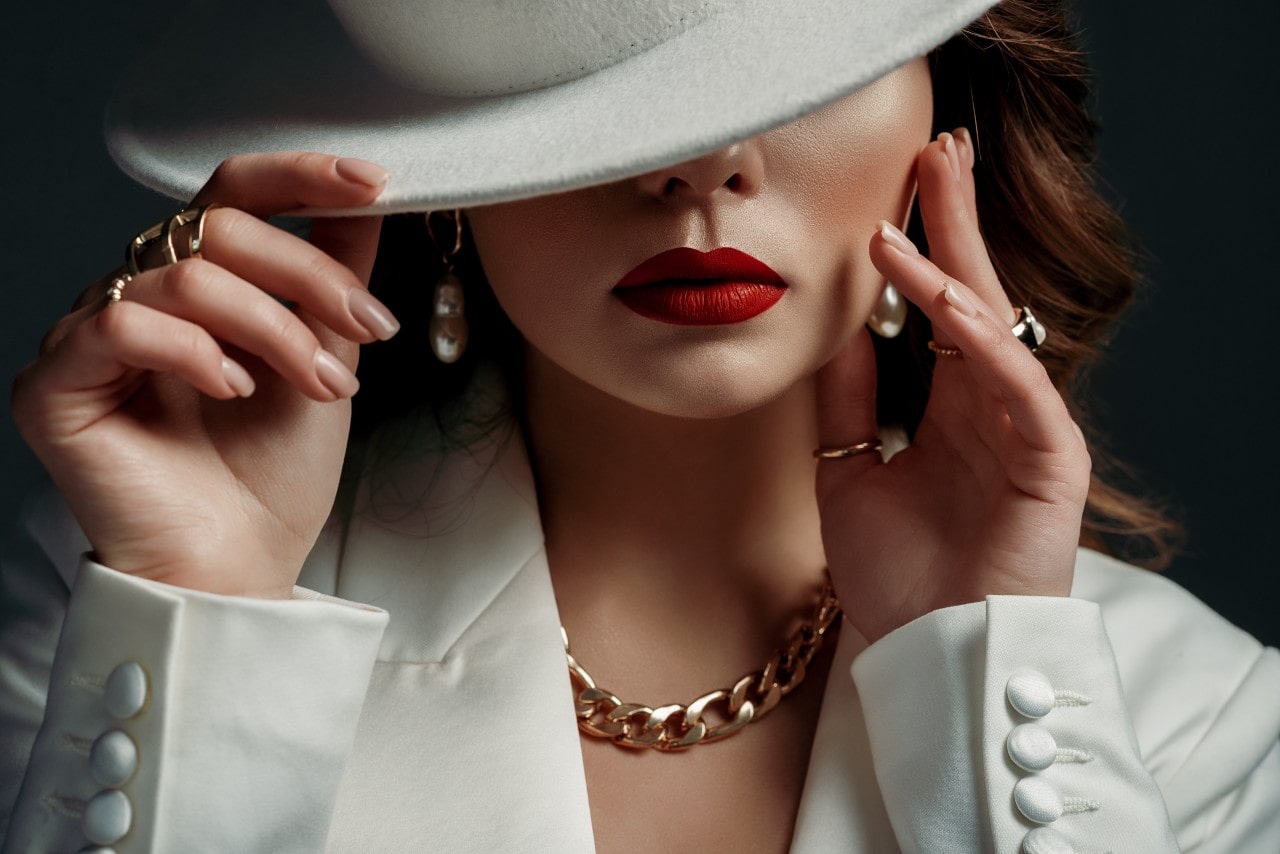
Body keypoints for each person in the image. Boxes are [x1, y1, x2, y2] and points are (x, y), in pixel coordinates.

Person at [1, 0, 1277, 850]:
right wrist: (203, 606)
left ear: (949, 121)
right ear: (440, 176)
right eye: (594, 82)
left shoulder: (1193, 716)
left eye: (795, 51)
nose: (697, 163)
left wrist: (987, 669)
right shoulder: (118, 613)